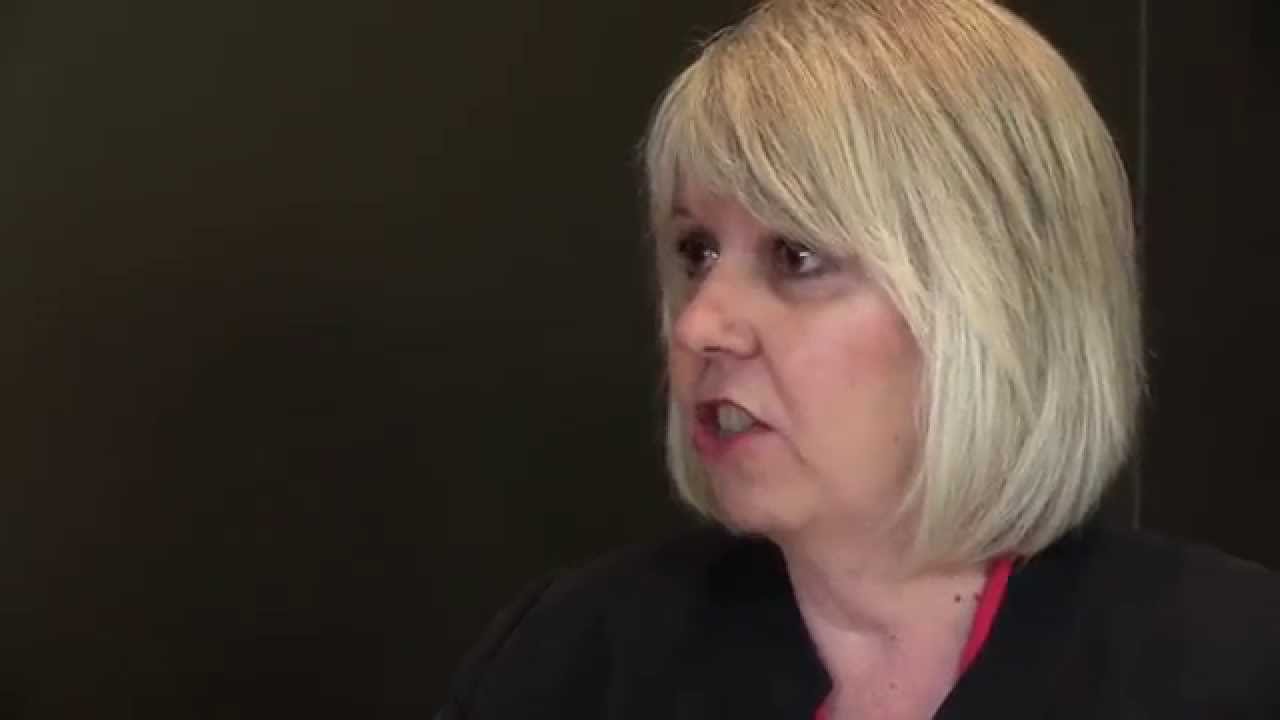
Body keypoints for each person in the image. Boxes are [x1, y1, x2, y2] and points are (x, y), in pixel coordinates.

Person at [438, 0, 1280, 717]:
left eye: (797, 255)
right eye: (697, 250)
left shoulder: (1231, 665)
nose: (699, 324)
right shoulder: (572, 658)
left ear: (994, 301)